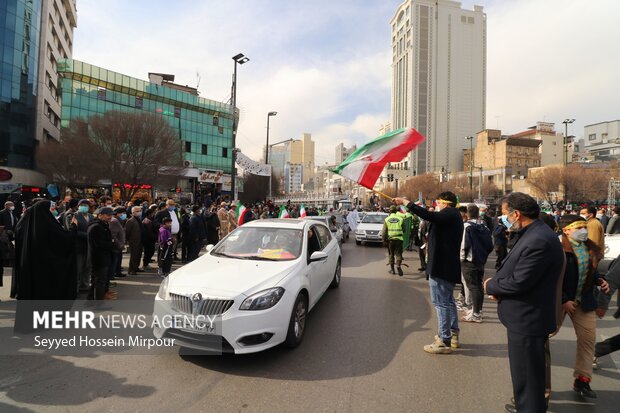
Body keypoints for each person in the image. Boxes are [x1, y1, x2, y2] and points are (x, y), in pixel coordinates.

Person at [483, 193, 565, 413]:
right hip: (524, 318)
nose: (503, 219)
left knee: (528, 381)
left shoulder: (538, 239)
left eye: (504, 214)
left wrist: (491, 286)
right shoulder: (532, 233)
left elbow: (520, 282)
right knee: (525, 380)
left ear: (516, 214)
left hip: (529, 320)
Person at [394, 192, 464, 354]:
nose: (436, 205)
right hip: (445, 266)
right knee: (448, 302)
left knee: (441, 303)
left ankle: (444, 340)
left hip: (441, 266)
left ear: (444, 203)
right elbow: (431, 217)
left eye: (438, 202)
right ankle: (452, 335)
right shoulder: (452, 215)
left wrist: (407, 202)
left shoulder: (449, 214)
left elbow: (428, 215)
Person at [558, 215, 607, 399]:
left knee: (587, 340)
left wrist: (599, 280)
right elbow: (553, 278)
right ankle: (538, 385)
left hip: (583, 301)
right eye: (578, 227)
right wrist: (563, 299)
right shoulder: (557, 248)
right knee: (543, 338)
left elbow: (588, 272)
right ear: (566, 230)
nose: (584, 231)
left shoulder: (588, 247)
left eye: (584, 227)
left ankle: (582, 380)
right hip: (560, 302)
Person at [10, 200, 78, 300]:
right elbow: (66, 240)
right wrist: (74, 226)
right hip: (46, 267)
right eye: (50, 208)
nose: (52, 210)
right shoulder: (49, 225)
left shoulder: (22, 224)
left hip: (28, 265)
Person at [461, 204, 493, 323]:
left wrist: (462, 258)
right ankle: (478, 310)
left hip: (469, 261)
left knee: (473, 287)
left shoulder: (466, 226)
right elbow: (490, 245)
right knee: (478, 287)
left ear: (467, 213)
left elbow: (464, 244)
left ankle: (475, 314)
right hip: (480, 261)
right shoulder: (484, 227)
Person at [87, 207, 114, 300]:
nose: (110, 217)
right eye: (108, 215)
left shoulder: (102, 225)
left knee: (98, 281)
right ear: (100, 215)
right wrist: (112, 243)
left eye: (111, 215)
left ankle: (91, 300)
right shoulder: (96, 227)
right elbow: (100, 244)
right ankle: (98, 303)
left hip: (103, 257)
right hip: (99, 258)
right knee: (99, 282)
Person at [70, 199, 94, 292]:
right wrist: (88, 235)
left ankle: (84, 285)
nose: (85, 207)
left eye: (87, 205)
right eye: (83, 205)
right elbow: (72, 230)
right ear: (78, 206)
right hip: (78, 246)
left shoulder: (91, 216)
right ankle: (74, 288)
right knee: (78, 268)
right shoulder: (74, 215)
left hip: (89, 246)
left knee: (87, 267)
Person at [383, 205, 405, 276]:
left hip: (391, 240)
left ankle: (392, 270)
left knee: (391, 254)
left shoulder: (387, 219)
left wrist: (384, 240)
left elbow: (384, 232)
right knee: (399, 254)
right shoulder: (401, 219)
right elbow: (404, 230)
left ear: (389, 211)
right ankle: (398, 265)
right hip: (399, 239)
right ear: (396, 211)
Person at [125, 206, 144, 275]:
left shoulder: (139, 219)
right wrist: (127, 240)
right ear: (133, 212)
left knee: (138, 255)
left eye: (140, 210)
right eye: (137, 211)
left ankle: (136, 267)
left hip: (140, 240)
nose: (139, 212)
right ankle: (131, 269)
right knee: (134, 255)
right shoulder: (130, 221)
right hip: (133, 241)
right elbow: (127, 232)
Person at [109, 207, 126, 279]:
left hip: (118, 245)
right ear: (119, 213)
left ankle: (116, 273)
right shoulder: (114, 221)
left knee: (117, 260)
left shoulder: (118, 220)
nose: (124, 215)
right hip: (116, 245)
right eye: (123, 213)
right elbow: (113, 235)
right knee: (115, 261)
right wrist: (119, 244)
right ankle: (112, 275)